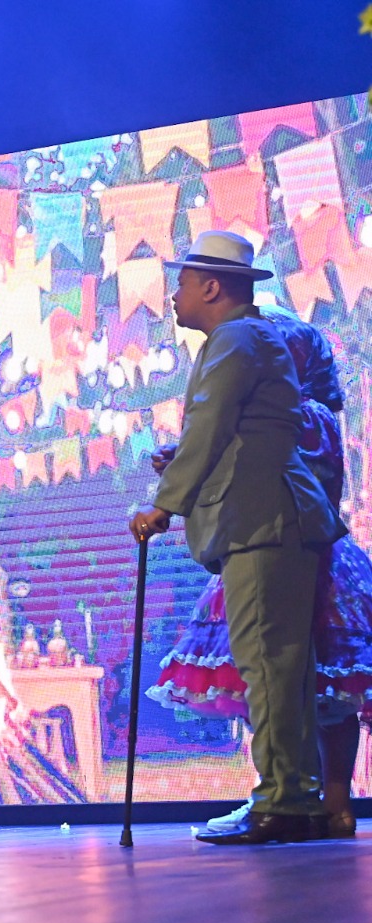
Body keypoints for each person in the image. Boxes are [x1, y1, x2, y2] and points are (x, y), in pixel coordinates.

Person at [129, 232, 342, 845]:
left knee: (269, 666)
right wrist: (184, 461)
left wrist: (163, 506)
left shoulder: (236, 340)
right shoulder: (246, 339)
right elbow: (236, 433)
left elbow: (212, 426)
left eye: (182, 284)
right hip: (272, 519)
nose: (174, 296)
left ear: (213, 286)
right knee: (282, 668)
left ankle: (282, 802)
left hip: (265, 522)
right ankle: (295, 796)